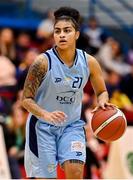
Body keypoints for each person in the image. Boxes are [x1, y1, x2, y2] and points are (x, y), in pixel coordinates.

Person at [22, 6, 113, 179]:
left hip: (71, 126)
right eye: (57, 31)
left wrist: (102, 101)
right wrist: (45, 114)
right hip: (42, 127)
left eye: (67, 31)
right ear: (53, 35)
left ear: (77, 34)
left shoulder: (89, 62)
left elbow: (102, 92)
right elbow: (25, 99)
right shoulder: (42, 63)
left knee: (76, 172)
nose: (62, 35)